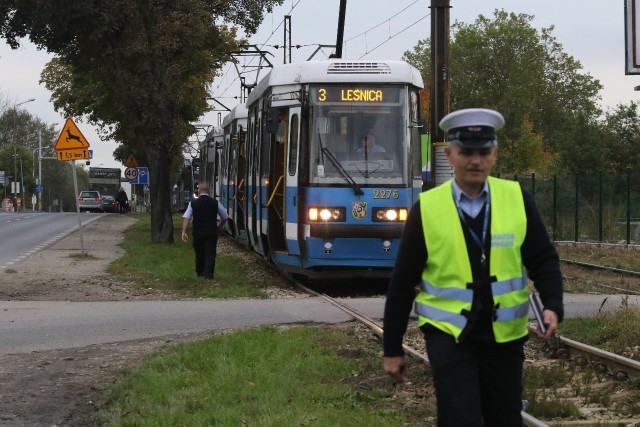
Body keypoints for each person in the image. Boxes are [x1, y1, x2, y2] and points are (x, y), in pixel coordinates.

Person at [382, 108, 564, 426]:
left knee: (504, 418)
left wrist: (553, 304)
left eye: (483, 152)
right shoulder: (426, 208)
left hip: (505, 338)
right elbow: (402, 283)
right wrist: (392, 348)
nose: (475, 161)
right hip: (449, 336)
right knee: (460, 418)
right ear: (450, 155)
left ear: (495, 154)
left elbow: (543, 259)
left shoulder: (518, 199)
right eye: (467, 152)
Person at [181, 183, 229, 280]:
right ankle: (209, 275)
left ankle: (200, 272)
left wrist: (184, 232)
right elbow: (224, 216)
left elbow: (187, 218)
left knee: (199, 253)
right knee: (210, 254)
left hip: (198, 232)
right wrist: (219, 226)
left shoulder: (193, 203)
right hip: (211, 232)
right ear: (209, 191)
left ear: (198, 192)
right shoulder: (215, 202)